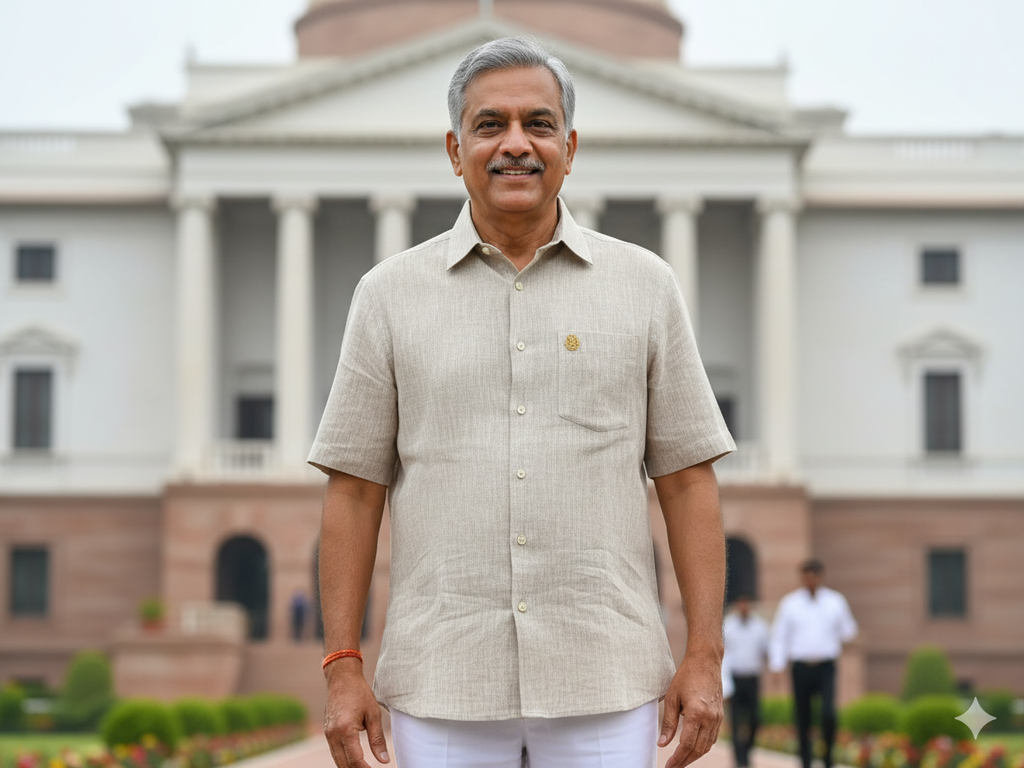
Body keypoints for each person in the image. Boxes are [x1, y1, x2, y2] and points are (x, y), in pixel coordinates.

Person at [309, 36, 735, 768]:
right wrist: (343, 664)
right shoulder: (388, 296)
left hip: (605, 677)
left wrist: (704, 653)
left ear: (569, 147)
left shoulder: (644, 285)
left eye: (538, 124)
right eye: (489, 125)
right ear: (454, 150)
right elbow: (353, 490)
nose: (515, 145)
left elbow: (688, 480)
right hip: (442, 680)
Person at [769, 559, 858, 768]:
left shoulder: (835, 601)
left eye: (814, 575)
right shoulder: (790, 604)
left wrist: (839, 635)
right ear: (802, 577)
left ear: (821, 576)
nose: (810, 580)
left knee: (828, 713)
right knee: (803, 716)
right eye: (806, 576)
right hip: (801, 667)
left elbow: (849, 630)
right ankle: (806, 762)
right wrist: (777, 665)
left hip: (826, 666)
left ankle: (827, 760)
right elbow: (779, 637)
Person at [723, 594, 769, 768]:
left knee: (755, 719)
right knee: (735, 721)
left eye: (747, 603)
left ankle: (747, 750)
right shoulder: (727, 626)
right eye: (741, 602)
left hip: (752, 679)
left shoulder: (759, 627)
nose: (744, 606)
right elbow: (723, 656)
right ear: (736, 605)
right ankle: (739, 760)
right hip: (735, 679)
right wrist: (724, 684)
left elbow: (767, 651)